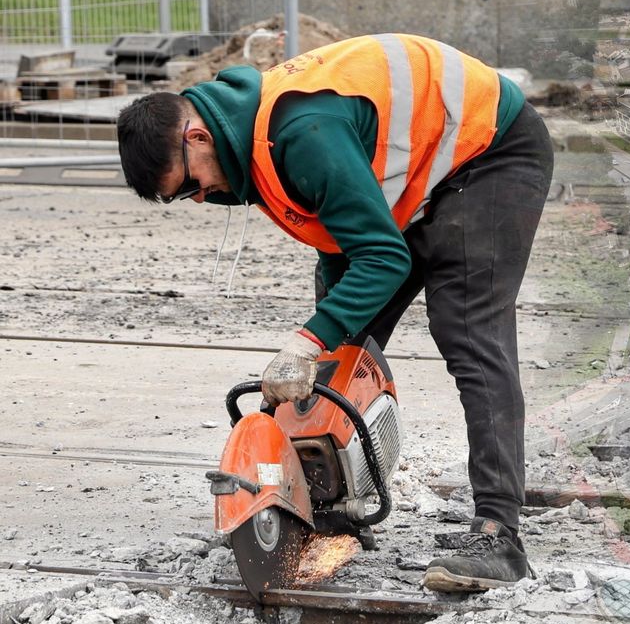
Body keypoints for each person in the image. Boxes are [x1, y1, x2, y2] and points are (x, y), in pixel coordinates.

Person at [115, 34, 554, 593]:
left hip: (490, 149)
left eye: (191, 186)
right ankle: (332, 503)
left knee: (467, 330)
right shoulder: (254, 144)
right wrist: (325, 337)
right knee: (343, 348)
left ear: (197, 136)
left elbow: (384, 258)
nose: (201, 198)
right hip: (423, 172)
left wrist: (305, 341)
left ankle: (500, 535)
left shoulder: (300, 134)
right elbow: (340, 239)